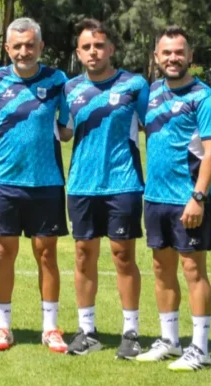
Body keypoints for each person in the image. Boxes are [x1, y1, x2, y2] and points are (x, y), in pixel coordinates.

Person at [136, 26, 211, 371]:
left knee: (193, 270)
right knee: (161, 269)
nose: (173, 58)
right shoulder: (151, 93)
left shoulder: (204, 98)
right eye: (166, 53)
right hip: (155, 197)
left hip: (189, 199)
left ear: (190, 56)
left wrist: (198, 197)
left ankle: (200, 349)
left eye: (179, 53)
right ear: (156, 57)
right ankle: (170, 341)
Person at [0, 17, 72, 353]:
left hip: (47, 182)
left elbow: (65, 129)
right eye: (17, 46)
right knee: (4, 254)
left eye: (30, 45)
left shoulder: (57, 79)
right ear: (7, 49)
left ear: (41, 47)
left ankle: (50, 328)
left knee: (46, 255)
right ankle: (2, 326)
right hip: (5, 181)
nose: (24, 51)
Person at [63, 19, 149, 358]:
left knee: (123, 256)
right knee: (84, 256)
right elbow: (64, 131)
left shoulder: (134, 85)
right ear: (78, 52)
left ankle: (131, 331)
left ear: (111, 49)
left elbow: (151, 128)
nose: (93, 51)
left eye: (99, 45)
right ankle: (87, 330)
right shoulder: (69, 90)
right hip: (82, 185)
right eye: (87, 46)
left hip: (123, 183)